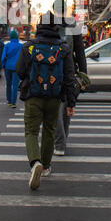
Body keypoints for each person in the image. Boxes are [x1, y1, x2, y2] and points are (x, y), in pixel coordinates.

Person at [16, 11, 76, 190]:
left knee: (31, 131)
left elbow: (19, 70)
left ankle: (35, 162)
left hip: (33, 96)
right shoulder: (63, 48)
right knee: (49, 131)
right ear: (56, 26)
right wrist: (71, 102)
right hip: (54, 97)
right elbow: (69, 76)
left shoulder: (29, 46)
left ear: (39, 25)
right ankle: (46, 166)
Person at [52, 0, 88, 156]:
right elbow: (80, 52)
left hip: (52, 70)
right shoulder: (73, 25)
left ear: (53, 10)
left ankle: (59, 144)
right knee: (67, 106)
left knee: (56, 108)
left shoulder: (48, 25)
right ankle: (62, 140)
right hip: (70, 71)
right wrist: (83, 73)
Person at [1, 30, 23, 108]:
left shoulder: (7, 45)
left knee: (8, 84)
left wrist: (3, 66)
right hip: (17, 67)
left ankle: (9, 100)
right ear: (17, 37)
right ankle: (13, 102)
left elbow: (3, 57)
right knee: (15, 85)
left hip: (8, 67)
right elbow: (22, 57)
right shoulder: (21, 46)